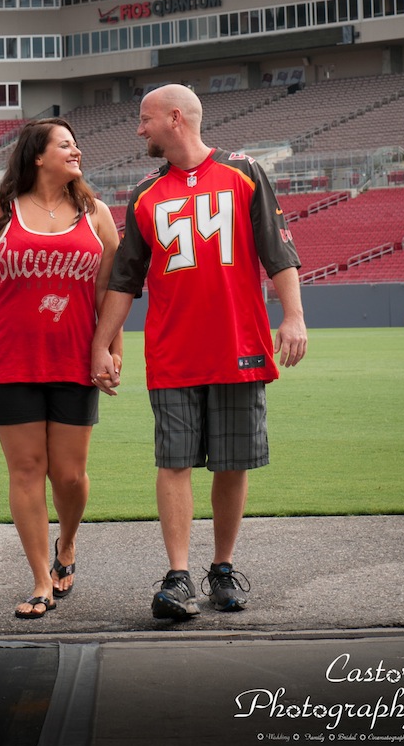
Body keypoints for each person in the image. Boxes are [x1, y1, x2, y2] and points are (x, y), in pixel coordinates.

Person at [91, 84, 307, 621]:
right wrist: (100, 344)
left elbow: (277, 251)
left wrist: (295, 315)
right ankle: (178, 576)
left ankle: (223, 569)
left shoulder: (245, 173)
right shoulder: (144, 194)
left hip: (238, 345)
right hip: (172, 352)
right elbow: (124, 281)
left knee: (233, 465)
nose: (139, 130)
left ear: (174, 118)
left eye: (145, 120)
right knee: (174, 461)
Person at [0, 118, 121, 620]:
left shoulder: (96, 214)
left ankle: (67, 544)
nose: (76, 151)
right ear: (37, 155)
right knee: (26, 470)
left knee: (69, 475)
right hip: (7, 359)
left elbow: (109, 292)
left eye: (76, 144)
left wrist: (113, 349)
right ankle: (38, 581)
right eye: (66, 145)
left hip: (74, 358)